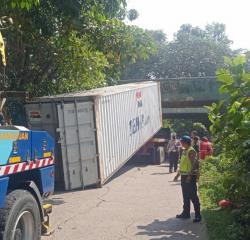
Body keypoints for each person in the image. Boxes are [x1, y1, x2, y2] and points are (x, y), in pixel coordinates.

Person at [174, 135, 201, 223]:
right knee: (185, 196)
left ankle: (198, 215)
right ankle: (186, 213)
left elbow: (194, 164)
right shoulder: (184, 150)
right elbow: (182, 164)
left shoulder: (191, 150)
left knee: (193, 196)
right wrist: (178, 175)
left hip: (190, 177)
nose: (180, 143)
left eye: (182, 142)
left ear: (186, 142)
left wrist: (189, 176)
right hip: (184, 176)